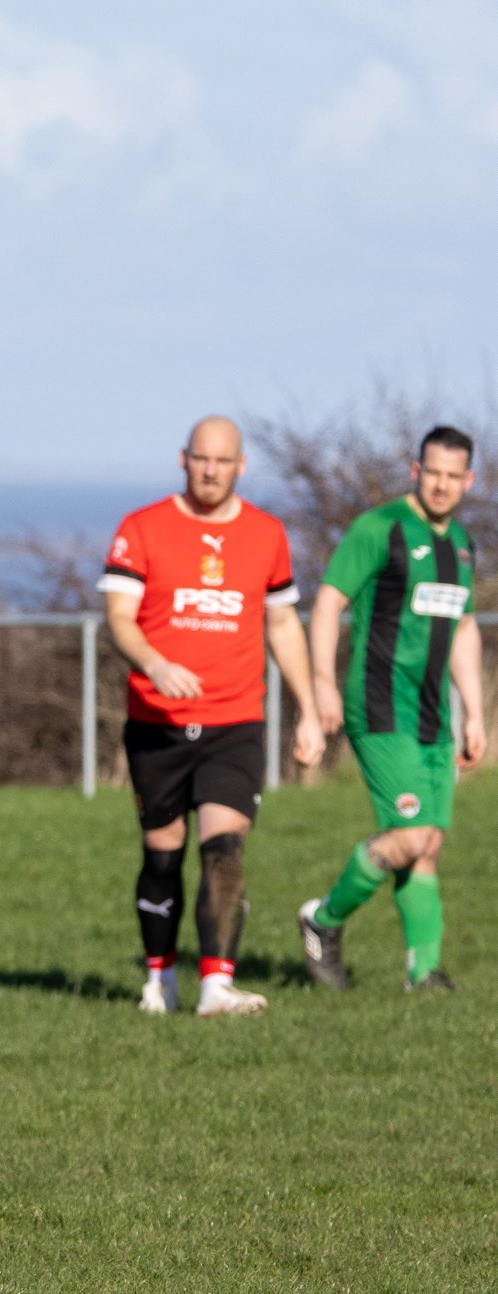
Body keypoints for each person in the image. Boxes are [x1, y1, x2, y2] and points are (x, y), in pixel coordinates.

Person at [100, 416, 326, 1017]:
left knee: (225, 849)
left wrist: (306, 707)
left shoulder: (266, 534)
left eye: (223, 461)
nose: (211, 470)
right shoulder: (143, 527)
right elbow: (118, 616)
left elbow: (282, 623)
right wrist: (154, 662)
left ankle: (216, 986)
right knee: (162, 855)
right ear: (183, 459)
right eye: (201, 459)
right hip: (158, 724)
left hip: (235, 722)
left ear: (241, 466)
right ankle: (159, 980)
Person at [298, 427, 485, 993]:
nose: (443, 485)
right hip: (379, 705)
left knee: (428, 844)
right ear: (415, 469)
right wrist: (323, 683)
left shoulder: (462, 545)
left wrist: (474, 713)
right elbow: (329, 601)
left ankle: (422, 974)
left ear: (468, 480)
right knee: (409, 835)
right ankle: (322, 920)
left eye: (455, 476)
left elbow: (464, 626)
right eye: (434, 473)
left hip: (433, 718)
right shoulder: (379, 529)